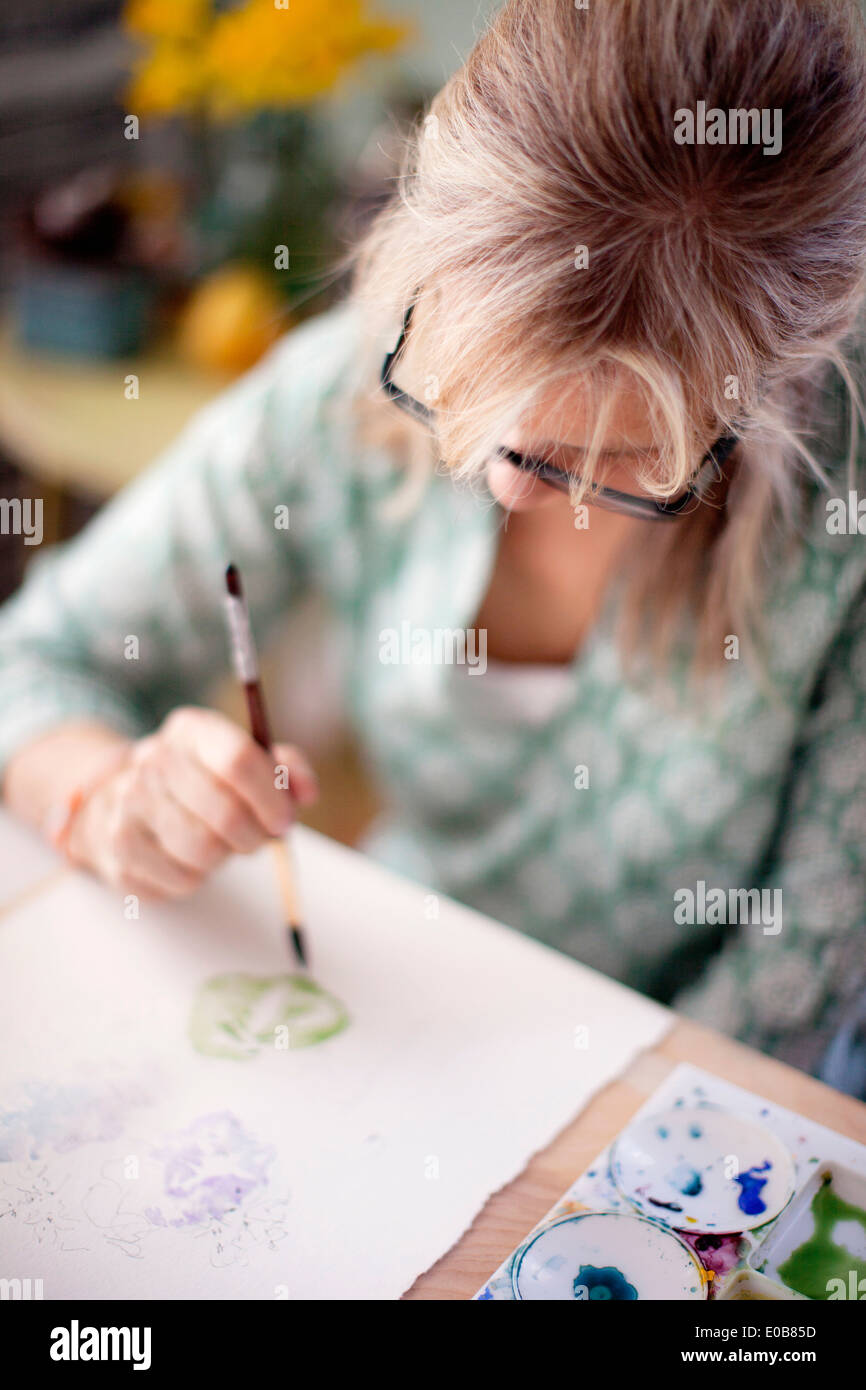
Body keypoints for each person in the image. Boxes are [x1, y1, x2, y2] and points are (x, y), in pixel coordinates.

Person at [2, 0, 866, 1084]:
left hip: (673, 1105)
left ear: (774, 394)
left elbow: (788, 1003)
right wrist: (107, 799)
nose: (501, 481)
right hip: (397, 1005)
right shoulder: (344, 378)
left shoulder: (844, 531)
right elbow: (34, 659)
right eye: (458, 390)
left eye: (610, 459)